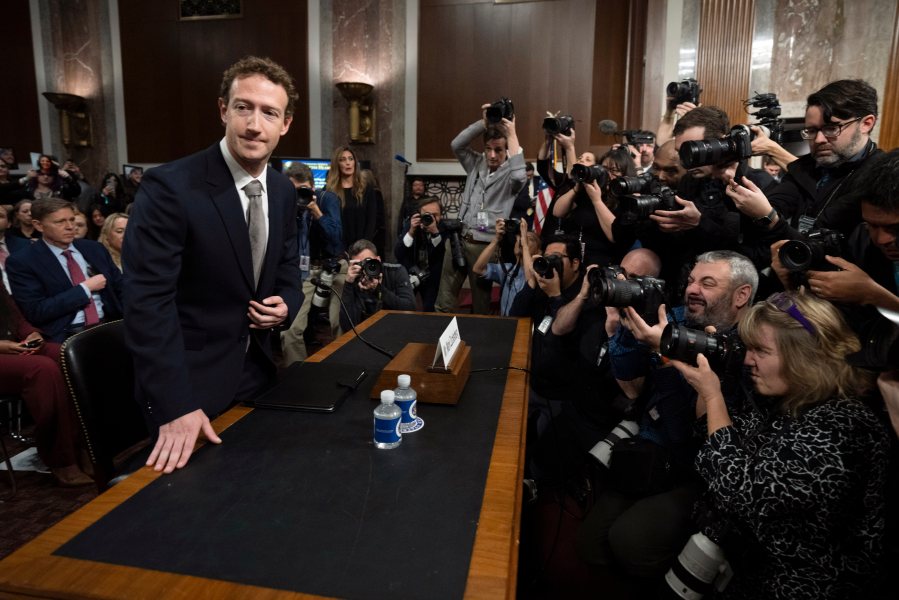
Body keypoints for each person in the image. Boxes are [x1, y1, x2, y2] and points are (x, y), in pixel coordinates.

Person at [123, 56, 301, 473]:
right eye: (244, 107)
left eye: (269, 112)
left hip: (258, 373)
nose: (254, 124)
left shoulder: (281, 189)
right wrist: (176, 405)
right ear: (223, 110)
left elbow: (289, 269)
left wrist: (287, 304)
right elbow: (147, 304)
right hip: (188, 389)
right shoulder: (170, 187)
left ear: (285, 124)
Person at [672, 290, 889, 598]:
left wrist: (713, 395)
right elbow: (721, 437)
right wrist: (713, 377)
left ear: (804, 356)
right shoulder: (799, 402)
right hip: (754, 569)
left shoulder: (845, 427)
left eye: (760, 350)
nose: (748, 360)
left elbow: (744, 492)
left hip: (803, 585)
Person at [577, 250, 758, 587]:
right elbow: (627, 372)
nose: (693, 289)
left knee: (630, 541)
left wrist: (666, 353)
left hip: (699, 472)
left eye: (707, 283)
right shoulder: (672, 319)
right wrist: (631, 331)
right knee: (590, 544)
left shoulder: (751, 349)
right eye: (691, 280)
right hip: (653, 450)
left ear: (741, 295)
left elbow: (700, 432)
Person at [728, 79, 880, 244]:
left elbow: (821, 241)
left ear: (866, 124)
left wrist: (768, 218)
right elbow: (776, 204)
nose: (819, 139)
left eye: (831, 128)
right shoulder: (808, 166)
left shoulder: (878, 175)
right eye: (812, 130)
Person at [435, 103, 526, 314]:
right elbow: (456, 145)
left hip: (484, 246)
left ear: (506, 151)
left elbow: (520, 176)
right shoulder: (476, 163)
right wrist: (483, 123)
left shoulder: (511, 176)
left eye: (499, 150)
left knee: (481, 305)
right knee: (444, 301)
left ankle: (477, 345)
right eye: (488, 149)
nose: (492, 155)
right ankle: (441, 340)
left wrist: (512, 133)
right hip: (459, 238)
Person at [0, 285, 92, 486]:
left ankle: (84, 446)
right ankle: (61, 458)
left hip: (9, 344)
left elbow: (13, 313)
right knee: (42, 369)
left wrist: (32, 334)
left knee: (66, 354)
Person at [6, 198, 123, 342]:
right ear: (38, 225)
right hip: (67, 333)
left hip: (110, 323)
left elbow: (122, 288)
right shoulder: (22, 261)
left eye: (72, 220)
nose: (70, 227)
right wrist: (84, 289)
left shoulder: (94, 249)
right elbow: (36, 311)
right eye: (60, 222)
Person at [280, 162, 344, 365]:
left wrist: (316, 210)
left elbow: (336, 238)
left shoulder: (328, 199)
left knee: (339, 323)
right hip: (304, 272)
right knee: (289, 331)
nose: (299, 195)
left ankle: (344, 370)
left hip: (334, 266)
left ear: (312, 188)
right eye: (293, 190)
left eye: (303, 190)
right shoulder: (286, 205)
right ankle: (297, 378)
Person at [339, 239, 415, 331]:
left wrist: (378, 289)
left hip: (395, 329)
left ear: (378, 259)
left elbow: (409, 308)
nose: (366, 267)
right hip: (365, 334)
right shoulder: (354, 280)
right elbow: (347, 326)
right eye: (360, 264)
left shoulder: (395, 272)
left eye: (368, 261)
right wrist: (348, 283)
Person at [471, 217, 539, 316]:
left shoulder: (538, 274)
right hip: (505, 323)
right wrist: (496, 239)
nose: (521, 242)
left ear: (538, 251)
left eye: (530, 240)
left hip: (523, 325)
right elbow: (478, 268)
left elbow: (530, 282)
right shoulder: (508, 269)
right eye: (520, 239)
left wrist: (524, 243)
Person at [394, 195, 446, 312]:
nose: (431, 218)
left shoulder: (443, 228)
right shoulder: (411, 225)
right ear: (419, 214)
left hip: (432, 276)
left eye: (435, 215)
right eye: (427, 214)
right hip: (411, 273)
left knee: (430, 308)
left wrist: (435, 233)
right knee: (405, 307)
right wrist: (411, 231)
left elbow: (441, 255)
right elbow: (399, 253)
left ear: (441, 215)